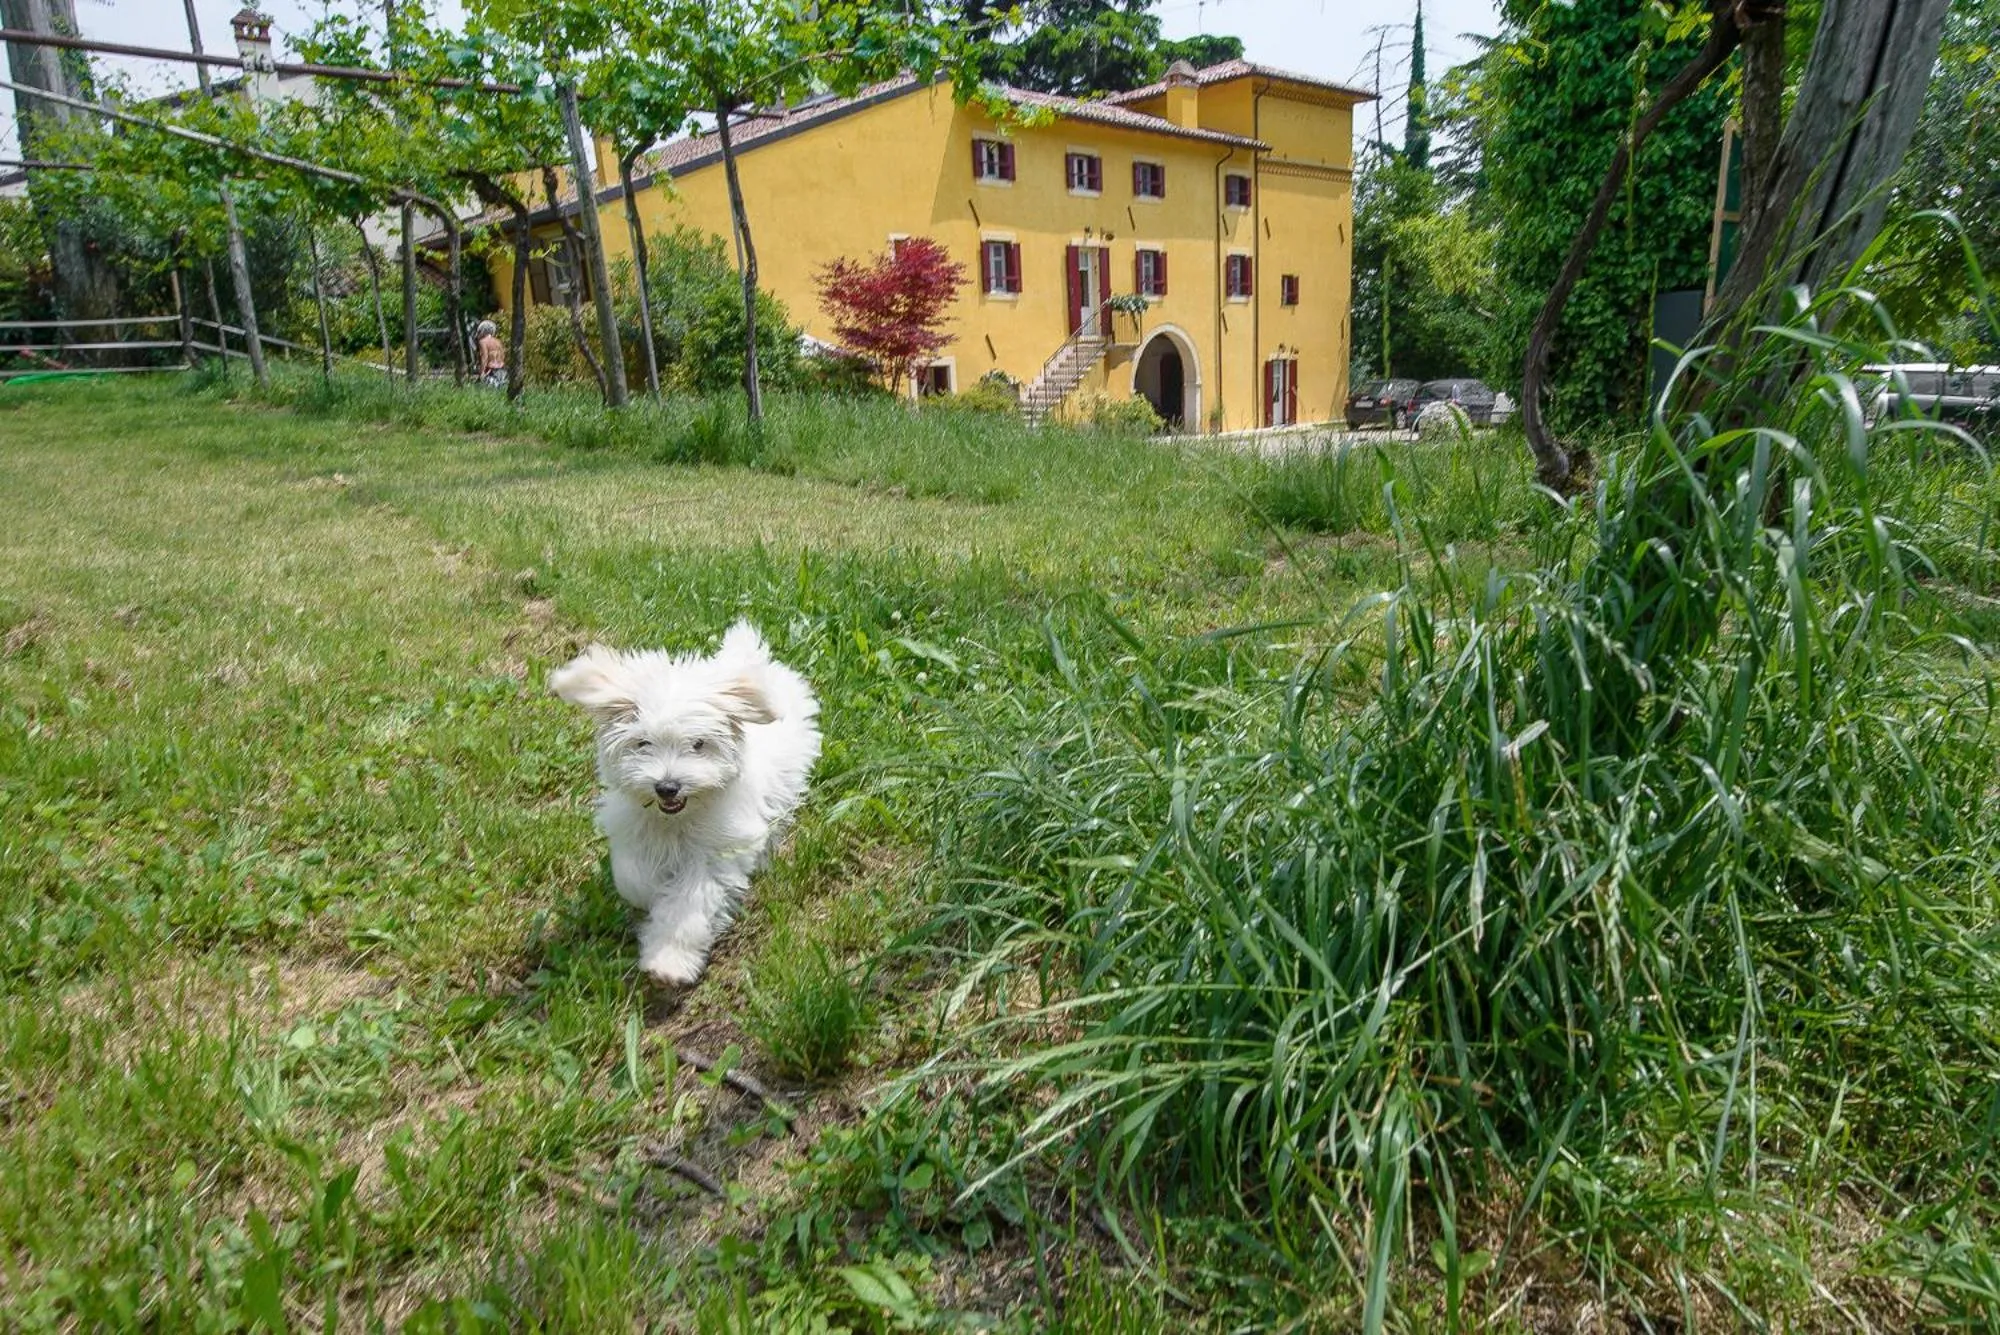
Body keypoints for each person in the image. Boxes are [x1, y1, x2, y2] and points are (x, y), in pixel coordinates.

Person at [475, 320, 507, 388]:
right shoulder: (498, 341)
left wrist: (482, 372)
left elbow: (484, 357)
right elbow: (503, 356)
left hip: (491, 371)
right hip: (502, 371)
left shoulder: (483, 342)